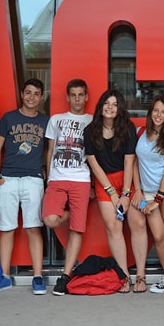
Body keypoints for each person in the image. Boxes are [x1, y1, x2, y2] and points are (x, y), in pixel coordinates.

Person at [0, 78, 49, 295]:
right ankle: (5, 276)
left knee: (34, 227)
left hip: (33, 179)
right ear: (22, 94)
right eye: (28, 92)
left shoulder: (45, 121)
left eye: (36, 93)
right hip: (8, 179)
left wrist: (45, 173)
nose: (32, 97)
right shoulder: (9, 118)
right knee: (7, 228)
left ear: (41, 97)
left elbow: (48, 150)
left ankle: (37, 276)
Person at [42, 79, 93, 296]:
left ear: (87, 96)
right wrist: (48, 176)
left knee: (76, 229)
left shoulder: (92, 121)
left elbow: (94, 155)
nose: (77, 99)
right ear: (67, 97)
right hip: (57, 177)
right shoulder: (56, 119)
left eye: (81, 95)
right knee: (50, 219)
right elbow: (50, 149)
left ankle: (65, 276)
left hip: (81, 179)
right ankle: (75, 214)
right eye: (73, 95)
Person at [84, 89, 137, 293]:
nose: (110, 107)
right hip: (103, 181)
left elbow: (129, 160)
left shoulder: (128, 128)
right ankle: (124, 275)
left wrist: (124, 193)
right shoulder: (90, 131)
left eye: (115, 104)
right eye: (106, 103)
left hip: (126, 178)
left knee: (137, 222)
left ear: (120, 109)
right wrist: (112, 193)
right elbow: (94, 164)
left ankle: (139, 273)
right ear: (100, 105)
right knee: (113, 226)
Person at [131, 95, 164, 293]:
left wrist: (158, 199)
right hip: (148, 191)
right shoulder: (140, 133)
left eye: (163, 111)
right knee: (159, 236)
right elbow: (135, 162)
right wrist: (138, 190)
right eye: (155, 110)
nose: (158, 115)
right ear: (150, 112)